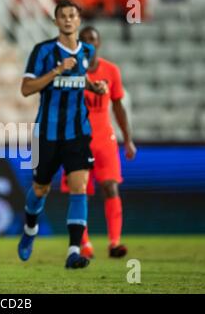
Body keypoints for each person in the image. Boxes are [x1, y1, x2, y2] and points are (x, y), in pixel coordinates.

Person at [17, 0, 108, 269]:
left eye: (73, 15)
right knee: (40, 189)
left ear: (79, 20)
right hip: (46, 133)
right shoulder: (42, 51)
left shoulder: (87, 51)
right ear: (55, 21)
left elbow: (81, 81)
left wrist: (95, 87)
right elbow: (26, 89)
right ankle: (29, 231)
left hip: (78, 133)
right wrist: (57, 70)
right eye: (63, 16)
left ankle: (73, 252)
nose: (68, 20)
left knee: (79, 187)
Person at [61, 26, 136, 259]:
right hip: (77, 138)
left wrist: (128, 139)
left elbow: (118, 106)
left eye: (92, 39)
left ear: (98, 43)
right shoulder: (69, 71)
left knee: (111, 186)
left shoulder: (111, 71)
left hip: (105, 138)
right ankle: (85, 244)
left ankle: (115, 243)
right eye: (84, 40)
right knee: (79, 189)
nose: (89, 43)